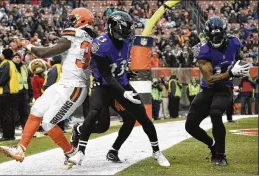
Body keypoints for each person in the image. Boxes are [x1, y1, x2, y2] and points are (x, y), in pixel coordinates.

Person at [67, 11, 170, 168]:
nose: (128, 34)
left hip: (121, 83)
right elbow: (107, 76)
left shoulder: (126, 42)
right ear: (113, 29)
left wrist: (127, 76)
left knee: (139, 117)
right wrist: (123, 93)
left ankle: (154, 151)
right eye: (125, 30)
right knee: (97, 118)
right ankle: (80, 150)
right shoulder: (100, 46)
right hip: (102, 85)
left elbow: (118, 65)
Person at [0, 7, 97, 163]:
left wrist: (27, 45)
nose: (70, 22)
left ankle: (72, 154)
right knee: (37, 109)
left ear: (82, 20)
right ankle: (21, 149)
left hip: (74, 87)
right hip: (64, 83)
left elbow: (44, 53)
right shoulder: (91, 39)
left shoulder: (75, 34)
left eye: (73, 19)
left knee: (48, 122)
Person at [185, 16, 251, 166]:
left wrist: (241, 67)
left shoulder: (234, 42)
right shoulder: (202, 50)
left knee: (215, 113)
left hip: (224, 88)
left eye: (219, 36)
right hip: (208, 88)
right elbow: (209, 79)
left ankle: (221, 155)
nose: (216, 39)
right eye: (212, 37)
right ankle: (213, 145)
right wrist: (231, 73)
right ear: (207, 36)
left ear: (225, 33)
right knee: (190, 126)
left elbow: (240, 59)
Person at [0, 49, 19, 142]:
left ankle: (6, 136)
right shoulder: (12, 64)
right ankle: (11, 135)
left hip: (6, 93)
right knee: (10, 115)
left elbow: (1, 79)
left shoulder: (6, 64)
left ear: (3, 55)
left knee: (5, 115)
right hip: (13, 93)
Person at [12, 53, 32, 130]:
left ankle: (26, 130)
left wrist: (30, 93)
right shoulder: (10, 66)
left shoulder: (24, 67)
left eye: (18, 57)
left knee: (25, 112)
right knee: (13, 112)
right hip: (14, 92)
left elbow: (28, 80)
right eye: (15, 57)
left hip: (24, 92)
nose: (17, 59)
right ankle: (12, 130)